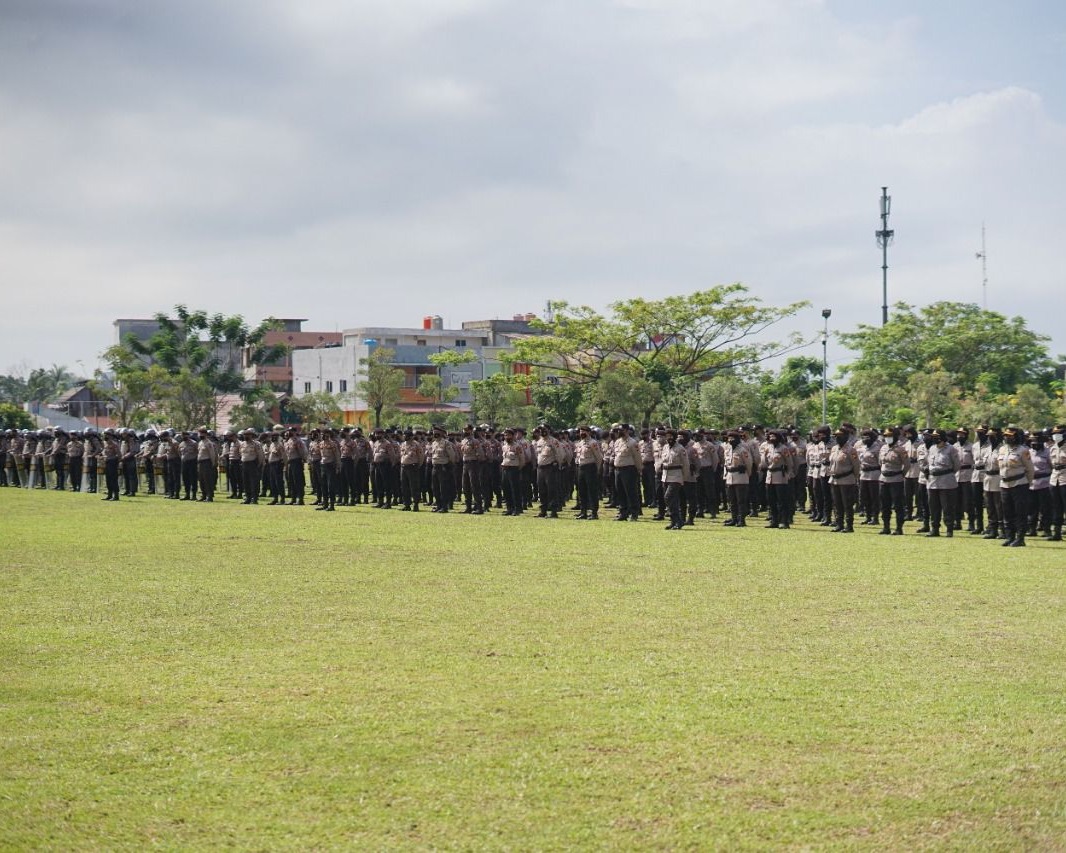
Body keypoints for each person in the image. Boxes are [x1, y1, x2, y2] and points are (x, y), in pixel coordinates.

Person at [998, 426, 1034, 547]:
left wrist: (1026, 483)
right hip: (1004, 484)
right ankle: (1010, 537)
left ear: (1016, 437)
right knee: (1007, 512)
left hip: (1019, 484)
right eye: (1006, 435)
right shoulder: (1002, 449)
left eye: (1010, 435)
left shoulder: (1023, 450)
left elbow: (1030, 469)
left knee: (1020, 512)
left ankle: (1020, 538)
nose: (1007, 437)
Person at [925, 428, 960, 537]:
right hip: (932, 482)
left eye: (937, 437)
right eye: (933, 437)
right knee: (933, 507)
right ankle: (935, 529)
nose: (935, 439)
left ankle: (949, 529)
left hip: (946, 482)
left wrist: (946, 473)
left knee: (947, 507)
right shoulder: (932, 448)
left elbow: (956, 466)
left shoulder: (951, 449)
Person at [827, 427, 858, 533]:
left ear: (846, 437)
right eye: (836, 436)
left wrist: (855, 479)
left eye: (840, 436)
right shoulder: (834, 448)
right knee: (836, 503)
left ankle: (849, 525)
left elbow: (856, 466)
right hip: (834, 479)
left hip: (847, 479)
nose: (837, 438)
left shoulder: (851, 450)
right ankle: (839, 524)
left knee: (847, 504)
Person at [877, 426, 907, 535]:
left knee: (898, 505)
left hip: (896, 480)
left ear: (895, 436)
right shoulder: (883, 448)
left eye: (889, 436)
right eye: (885, 436)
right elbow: (881, 463)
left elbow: (907, 465)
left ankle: (899, 528)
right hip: (883, 479)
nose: (887, 438)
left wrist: (900, 474)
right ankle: (886, 527)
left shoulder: (901, 449)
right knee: (884, 505)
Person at [722, 429, 752, 527]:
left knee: (741, 500)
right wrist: (725, 476)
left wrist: (748, 474)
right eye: (729, 438)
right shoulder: (727, 449)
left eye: (733, 438)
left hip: (740, 477)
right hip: (730, 477)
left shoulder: (743, 450)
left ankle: (741, 520)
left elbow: (749, 464)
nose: (730, 440)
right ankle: (734, 518)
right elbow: (726, 464)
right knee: (732, 500)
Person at [399, 430, 424, 511]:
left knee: (414, 486)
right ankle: (407, 504)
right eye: (403, 435)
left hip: (412, 467)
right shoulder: (403, 444)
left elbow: (421, 457)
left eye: (405, 435)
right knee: (404, 486)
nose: (403, 437)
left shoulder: (416, 444)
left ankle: (416, 504)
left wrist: (417, 465)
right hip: (404, 467)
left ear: (410, 436)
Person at [1048, 424, 1066, 542]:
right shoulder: (1053, 447)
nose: (1056, 436)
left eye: (1058, 433)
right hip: (1054, 479)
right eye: (1054, 434)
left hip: (1065, 478)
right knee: (1056, 506)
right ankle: (1057, 532)